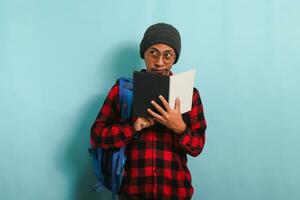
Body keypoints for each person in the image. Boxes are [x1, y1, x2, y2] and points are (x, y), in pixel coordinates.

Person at [90, 23, 207, 200]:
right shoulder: (122, 90)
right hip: (132, 192)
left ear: (174, 58)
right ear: (143, 54)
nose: (159, 62)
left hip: (175, 192)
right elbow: (97, 136)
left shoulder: (189, 94)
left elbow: (197, 147)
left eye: (167, 55)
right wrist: (133, 127)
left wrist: (180, 128)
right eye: (153, 53)